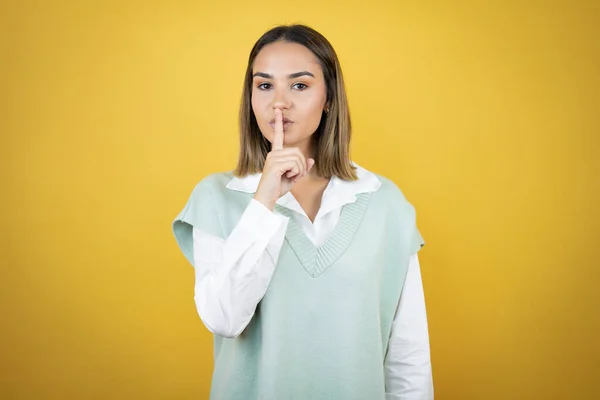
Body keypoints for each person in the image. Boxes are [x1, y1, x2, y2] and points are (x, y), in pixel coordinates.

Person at [172, 24, 433, 400]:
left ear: (329, 99)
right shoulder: (216, 197)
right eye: (264, 86)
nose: (279, 103)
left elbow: (407, 357)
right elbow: (225, 319)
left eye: (299, 85)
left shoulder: (385, 203)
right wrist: (263, 200)